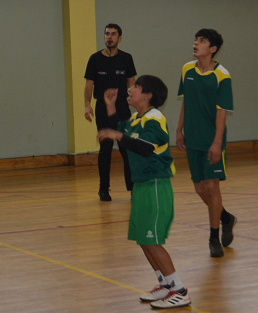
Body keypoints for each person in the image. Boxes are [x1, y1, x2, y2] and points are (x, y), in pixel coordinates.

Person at [97, 77, 190, 310]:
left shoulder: (155, 118)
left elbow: (145, 147)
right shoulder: (137, 119)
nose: (130, 89)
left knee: (153, 240)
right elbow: (121, 131)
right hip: (141, 185)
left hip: (155, 185)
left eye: (136, 87)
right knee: (143, 240)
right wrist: (110, 108)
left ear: (147, 95)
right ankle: (165, 284)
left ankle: (179, 289)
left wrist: (117, 135)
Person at [176, 29, 236, 258]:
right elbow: (186, 102)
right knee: (200, 188)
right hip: (192, 138)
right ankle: (226, 218)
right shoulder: (186, 69)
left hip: (212, 139)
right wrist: (179, 129)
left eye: (202, 41)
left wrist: (217, 143)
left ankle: (213, 237)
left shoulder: (222, 75)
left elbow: (222, 111)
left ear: (213, 49)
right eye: (196, 40)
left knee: (212, 187)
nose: (196, 43)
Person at [84, 23, 137, 201]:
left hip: (122, 107)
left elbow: (132, 83)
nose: (109, 37)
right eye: (107, 34)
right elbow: (89, 84)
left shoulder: (127, 58)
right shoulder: (94, 59)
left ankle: (132, 189)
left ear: (119, 38)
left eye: (113, 34)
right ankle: (103, 189)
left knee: (126, 148)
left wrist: (136, 103)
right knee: (105, 149)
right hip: (102, 109)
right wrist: (87, 104)